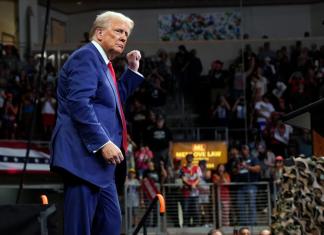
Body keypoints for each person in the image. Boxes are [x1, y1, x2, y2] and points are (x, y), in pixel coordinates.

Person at [50, 11, 144, 235]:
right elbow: (79, 103)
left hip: (100, 165)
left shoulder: (103, 63)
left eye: (126, 34)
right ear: (100, 33)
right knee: (79, 228)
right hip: (83, 158)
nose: (124, 37)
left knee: (110, 224)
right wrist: (102, 142)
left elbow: (113, 100)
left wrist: (131, 71)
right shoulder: (87, 57)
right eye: (119, 31)